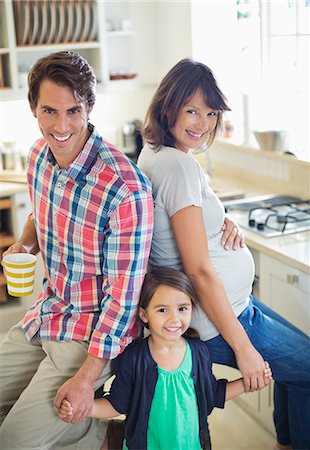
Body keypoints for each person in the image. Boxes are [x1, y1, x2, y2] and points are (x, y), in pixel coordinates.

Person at [137, 58, 310, 450]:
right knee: (307, 372)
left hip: (231, 307)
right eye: (192, 110)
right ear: (169, 107)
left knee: (296, 370)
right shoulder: (177, 167)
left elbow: (181, 225)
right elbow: (198, 270)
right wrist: (245, 351)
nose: (203, 123)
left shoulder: (155, 153)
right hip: (219, 317)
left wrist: (221, 220)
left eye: (211, 112)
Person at [0, 51, 153, 450]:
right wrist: (25, 243)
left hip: (90, 337)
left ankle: (91, 431)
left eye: (74, 111)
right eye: (49, 110)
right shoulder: (38, 157)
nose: (61, 125)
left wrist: (87, 381)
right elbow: (39, 215)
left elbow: (123, 303)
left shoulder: (124, 190)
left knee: (14, 441)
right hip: (47, 312)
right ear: (33, 107)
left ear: (90, 107)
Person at [58, 268, 273, 450]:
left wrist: (248, 384)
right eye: (162, 310)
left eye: (182, 309)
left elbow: (211, 395)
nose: (174, 319)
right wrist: (83, 408)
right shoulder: (133, 358)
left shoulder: (199, 353)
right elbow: (117, 404)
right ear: (144, 315)